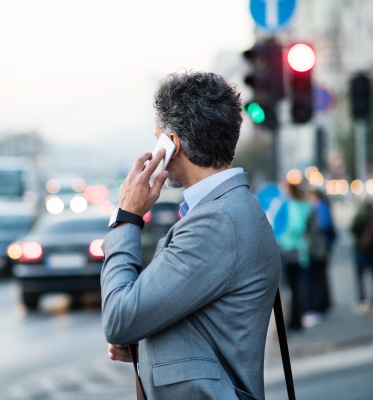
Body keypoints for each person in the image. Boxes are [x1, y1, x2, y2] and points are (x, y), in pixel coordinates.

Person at [101, 71, 280, 400]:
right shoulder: (227, 210)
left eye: (158, 137)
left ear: (172, 144)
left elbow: (118, 317)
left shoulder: (217, 223)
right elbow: (202, 323)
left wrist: (126, 217)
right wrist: (142, 338)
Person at [277, 183, 313, 330]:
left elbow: (293, 227)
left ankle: (293, 321)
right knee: (298, 287)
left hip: (289, 250)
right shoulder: (305, 206)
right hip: (301, 251)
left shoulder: (290, 205)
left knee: (289, 288)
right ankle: (297, 319)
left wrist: (280, 239)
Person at [305, 188, 336, 317]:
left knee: (319, 276)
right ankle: (326, 304)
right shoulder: (322, 205)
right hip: (322, 245)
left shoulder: (319, 206)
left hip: (320, 247)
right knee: (322, 275)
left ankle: (322, 305)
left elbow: (324, 224)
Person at [351, 200, 373, 314]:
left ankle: (362, 300)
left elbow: (353, 228)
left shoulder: (360, 214)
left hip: (361, 247)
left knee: (360, 276)